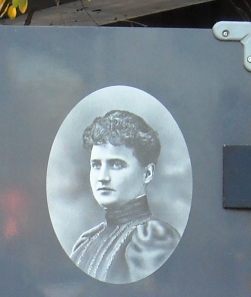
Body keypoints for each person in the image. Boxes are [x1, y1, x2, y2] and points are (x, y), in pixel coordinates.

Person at [71, 110, 181, 283]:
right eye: (96, 165)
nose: (102, 177)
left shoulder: (153, 240)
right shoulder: (86, 243)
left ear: (147, 173)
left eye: (116, 164)